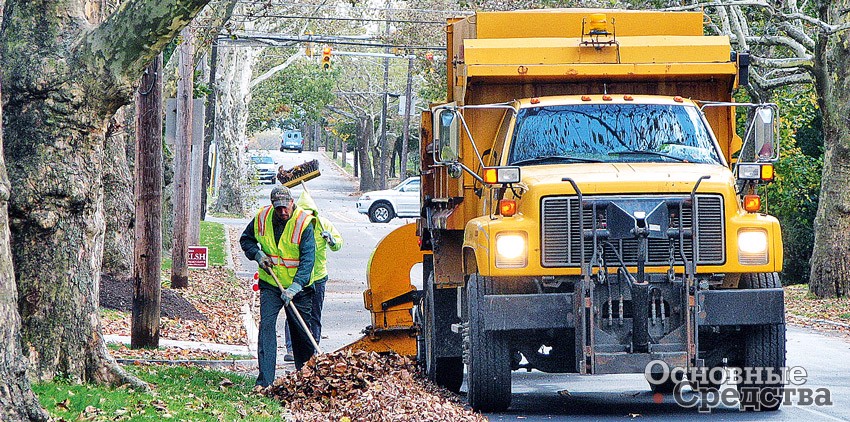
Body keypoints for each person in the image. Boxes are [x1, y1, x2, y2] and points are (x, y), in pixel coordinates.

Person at [240, 186, 317, 386]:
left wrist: (296, 286)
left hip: (298, 289)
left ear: (292, 202)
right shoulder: (262, 218)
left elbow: (308, 260)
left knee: (300, 331)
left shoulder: (303, 223)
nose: (283, 212)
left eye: (286, 207)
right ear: (273, 206)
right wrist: (257, 255)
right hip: (271, 284)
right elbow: (246, 240)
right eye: (279, 208)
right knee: (266, 327)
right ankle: (265, 381)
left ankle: (306, 378)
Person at [283, 190, 343, 361]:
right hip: (297, 278)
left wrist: (331, 239)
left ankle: (313, 348)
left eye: (310, 215)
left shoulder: (324, 225)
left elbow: (338, 244)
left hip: (317, 277)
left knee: (314, 314)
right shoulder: (292, 226)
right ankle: (291, 349)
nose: (307, 219)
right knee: (293, 313)